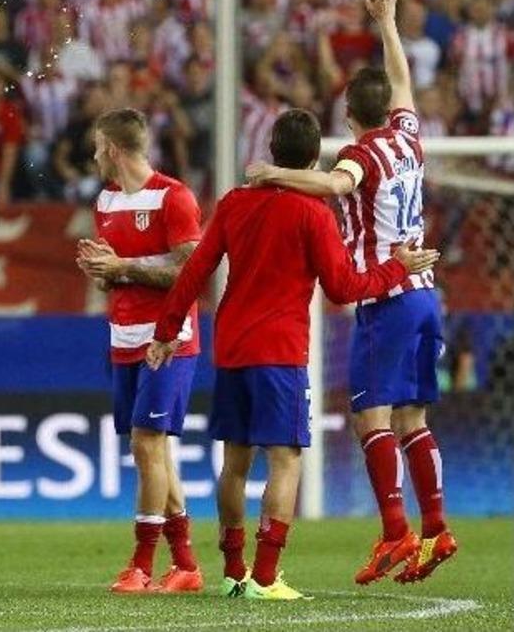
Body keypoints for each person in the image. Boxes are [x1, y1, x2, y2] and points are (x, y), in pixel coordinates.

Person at [148, 109, 440, 601]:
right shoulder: (312, 213)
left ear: (272, 151)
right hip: (281, 353)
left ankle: (233, 573)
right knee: (285, 460)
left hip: (234, 348)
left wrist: (166, 330)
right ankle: (265, 578)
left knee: (234, 463)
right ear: (311, 160)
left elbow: (196, 268)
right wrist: (396, 268)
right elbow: (345, 288)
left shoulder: (234, 203)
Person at [246, 0, 456, 584]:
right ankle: (436, 530)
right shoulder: (410, 137)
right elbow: (405, 81)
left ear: (348, 113)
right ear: (386, 109)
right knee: (414, 420)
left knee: (372, 418)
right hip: (424, 297)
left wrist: (274, 174)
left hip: (386, 296)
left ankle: (395, 533)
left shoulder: (360, 155)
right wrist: (387, 25)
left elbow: (336, 186)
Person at [75, 107, 204, 594]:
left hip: (167, 339)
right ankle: (187, 563)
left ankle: (142, 565)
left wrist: (123, 265)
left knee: (148, 445)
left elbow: (191, 272)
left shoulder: (175, 197)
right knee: (152, 450)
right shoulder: (106, 201)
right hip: (124, 337)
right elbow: (125, 275)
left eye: (95, 146)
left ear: (111, 147)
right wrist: (105, 271)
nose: (92, 155)